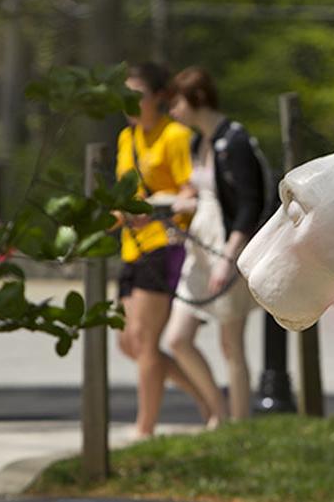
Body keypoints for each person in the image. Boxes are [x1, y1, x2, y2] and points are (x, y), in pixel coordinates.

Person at [166, 66, 265, 424]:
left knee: (230, 344)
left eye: (176, 102)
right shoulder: (198, 142)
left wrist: (229, 257)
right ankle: (217, 411)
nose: (173, 111)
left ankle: (238, 424)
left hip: (227, 248)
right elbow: (206, 192)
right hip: (199, 249)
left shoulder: (234, 141)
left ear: (198, 99)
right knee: (177, 338)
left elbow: (250, 204)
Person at [116, 62, 209, 438]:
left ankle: (144, 429)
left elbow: (191, 190)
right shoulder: (127, 137)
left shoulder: (175, 135)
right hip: (131, 246)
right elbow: (126, 193)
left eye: (136, 94)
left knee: (145, 338)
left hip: (164, 243)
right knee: (129, 342)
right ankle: (207, 399)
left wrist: (157, 207)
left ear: (158, 97)